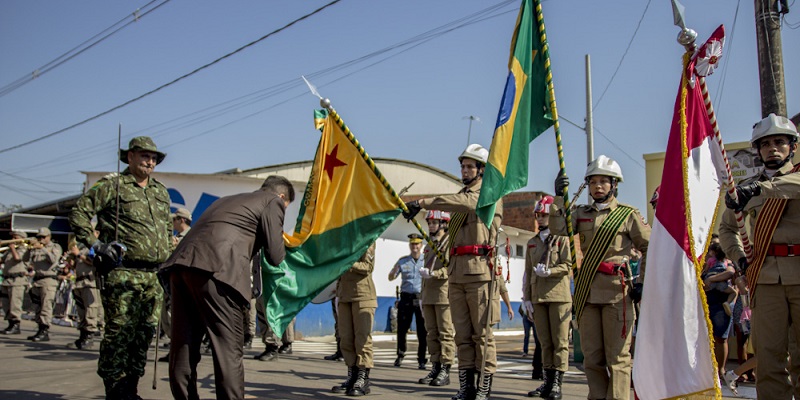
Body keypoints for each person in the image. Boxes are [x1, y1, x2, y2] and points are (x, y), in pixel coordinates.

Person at [160, 175, 294, 400]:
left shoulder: (227, 201)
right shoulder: (273, 201)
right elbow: (275, 254)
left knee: (183, 348)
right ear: (282, 197)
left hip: (180, 269)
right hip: (218, 272)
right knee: (228, 352)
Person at [69, 136, 172, 399]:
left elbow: (167, 230)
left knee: (144, 335)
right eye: (143, 156)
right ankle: (114, 390)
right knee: (119, 333)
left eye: (153, 158)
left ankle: (130, 388)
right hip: (122, 272)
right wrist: (95, 245)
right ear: (130, 157)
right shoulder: (113, 186)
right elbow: (79, 213)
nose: (149, 162)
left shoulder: (161, 192)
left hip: (153, 276)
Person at [403, 143, 503, 400]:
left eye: (470, 166)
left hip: (480, 273)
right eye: (463, 166)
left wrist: (423, 202)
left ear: (482, 170)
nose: (465, 170)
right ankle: (466, 386)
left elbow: (465, 203)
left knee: (482, 335)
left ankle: (483, 387)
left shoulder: (488, 194)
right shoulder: (461, 196)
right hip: (457, 274)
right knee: (462, 335)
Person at [550, 155, 650, 400]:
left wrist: (642, 282)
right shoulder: (580, 213)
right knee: (592, 359)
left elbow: (650, 247)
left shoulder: (628, 215)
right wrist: (559, 196)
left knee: (618, 359)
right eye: (593, 182)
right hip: (587, 292)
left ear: (614, 185)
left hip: (618, 293)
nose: (598, 187)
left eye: (604, 181)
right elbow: (558, 228)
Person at [720, 113, 800, 399]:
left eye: (780, 142)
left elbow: (791, 186)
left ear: (792, 146)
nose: (772, 148)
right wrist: (740, 259)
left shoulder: (793, 177)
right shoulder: (745, 190)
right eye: (765, 144)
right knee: (769, 359)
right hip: (765, 279)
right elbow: (727, 228)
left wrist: (760, 188)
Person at [524, 195, 573, 399]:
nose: (541, 219)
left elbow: (568, 265)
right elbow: (528, 272)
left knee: (560, 341)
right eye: (539, 215)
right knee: (544, 343)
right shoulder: (532, 242)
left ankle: (557, 385)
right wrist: (526, 299)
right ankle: (547, 381)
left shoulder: (561, 239)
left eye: (545, 215)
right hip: (538, 297)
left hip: (559, 296)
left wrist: (551, 272)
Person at [331, 242, 377, 397]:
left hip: (362, 295)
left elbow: (367, 267)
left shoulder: (367, 239)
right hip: (344, 295)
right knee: (346, 339)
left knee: (362, 339)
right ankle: (352, 375)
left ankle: (363, 378)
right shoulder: (344, 241)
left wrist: (348, 262)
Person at [417, 210, 456, 387]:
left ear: (443, 223)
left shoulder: (449, 243)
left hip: (442, 295)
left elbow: (451, 269)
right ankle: (435, 366)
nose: (431, 225)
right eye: (429, 222)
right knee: (431, 333)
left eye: (434, 222)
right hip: (428, 294)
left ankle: (445, 369)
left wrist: (435, 273)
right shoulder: (428, 244)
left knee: (445, 333)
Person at [158, 207, 193, 363]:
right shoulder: (175, 237)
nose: (172, 222)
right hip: (168, 281)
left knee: (176, 317)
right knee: (166, 317)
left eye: (175, 219)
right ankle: (175, 349)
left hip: (181, 283)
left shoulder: (190, 236)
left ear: (182, 220)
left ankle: (180, 353)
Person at [389, 233, 428, 369]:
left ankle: (422, 359)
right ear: (409, 245)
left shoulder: (426, 260)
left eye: (417, 244)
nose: (414, 247)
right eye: (412, 244)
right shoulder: (403, 261)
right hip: (405, 298)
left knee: (422, 330)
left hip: (420, 298)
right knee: (402, 328)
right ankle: (400, 355)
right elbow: (391, 277)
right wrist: (393, 272)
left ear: (421, 245)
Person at [703, 242, 737, 381]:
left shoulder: (727, 262)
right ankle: (708, 369)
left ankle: (720, 369)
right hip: (707, 302)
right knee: (707, 339)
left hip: (720, 304)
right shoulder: (707, 264)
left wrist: (711, 279)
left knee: (721, 338)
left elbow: (730, 272)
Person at [24, 227, 63, 342]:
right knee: (37, 307)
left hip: (48, 280)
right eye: (39, 237)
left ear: (49, 237)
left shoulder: (55, 247)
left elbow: (53, 260)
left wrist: (43, 249)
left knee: (46, 306)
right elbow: (25, 260)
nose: (40, 239)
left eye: (43, 237)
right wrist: (29, 249)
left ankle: (45, 330)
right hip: (37, 280)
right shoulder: (35, 249)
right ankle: (39, 328)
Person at [69, 241, 103, 349]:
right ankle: (82, 336)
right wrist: (72, 257)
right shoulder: (82, 248)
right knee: (81, 311)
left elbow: (93, 262)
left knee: (90, 310)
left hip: (90, 282)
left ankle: (89, 337)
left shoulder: (96, 247)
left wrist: (79, 254)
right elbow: (74, 266)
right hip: (79, 282)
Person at [1, 230, 30, 335]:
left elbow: (18, 258)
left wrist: (12, 248)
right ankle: (10, 323)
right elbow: (2, 260)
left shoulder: (24, 249)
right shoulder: (10, 251)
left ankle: (16, 325)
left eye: (15, 237)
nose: (12, 239)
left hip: (17, 280)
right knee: (6, 304)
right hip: (7, 280)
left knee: (15, 304)